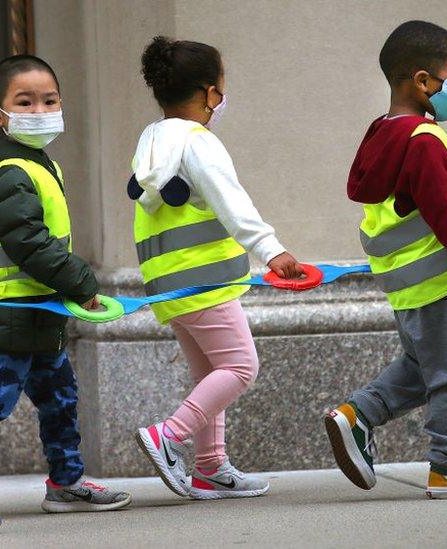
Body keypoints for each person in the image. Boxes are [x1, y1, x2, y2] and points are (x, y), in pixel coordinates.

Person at [323, 20, 447, 499]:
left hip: (407, 286)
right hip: (438, 281)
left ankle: (357, 416)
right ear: (423, 81)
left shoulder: (385, 134)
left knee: (422, 367)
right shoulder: (425, 141)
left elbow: (436, 207)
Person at [0, 55, 131, 512]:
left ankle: (66, 482)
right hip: (8, 308)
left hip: (38, 308)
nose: (39, 111)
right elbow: (29, 242)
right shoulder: (12, 171)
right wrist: (82, 282)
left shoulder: (32, 162)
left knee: (60, 397)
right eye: (23, 102)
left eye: (49, 100)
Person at [130, 36, 304, 500]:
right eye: (220, 89)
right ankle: (170, 435)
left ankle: (211, 466)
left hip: (170, 285)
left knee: (211, 371)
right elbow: (233, 202)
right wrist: (272, 251)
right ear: (209, 93)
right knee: (242, 366)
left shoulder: (152, 142)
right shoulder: (198, 142)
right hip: (206, 281)